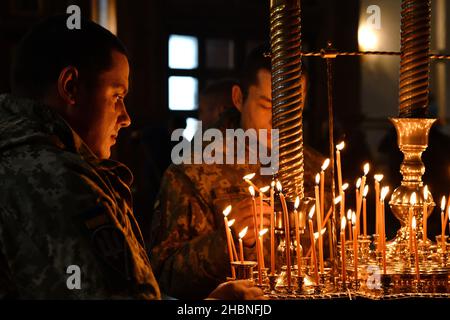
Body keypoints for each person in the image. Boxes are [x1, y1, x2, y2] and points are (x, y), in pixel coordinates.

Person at [0, 15, 263, 300]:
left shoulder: (24, 159)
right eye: (117, 96)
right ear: (71, 86)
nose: (125, 118)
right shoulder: (59, 185)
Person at [150, 45, 330, 299]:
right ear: (238, 98)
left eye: (292, 109)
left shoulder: (317, 170)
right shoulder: (194, 172)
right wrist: (227, 241)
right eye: (267, 106)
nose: (279, 122)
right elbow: (163, 276)